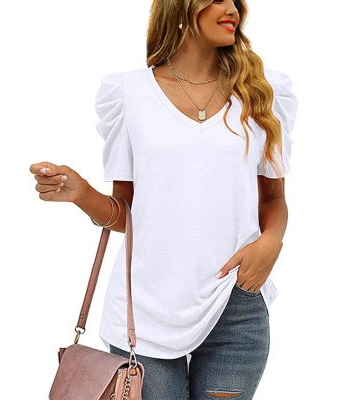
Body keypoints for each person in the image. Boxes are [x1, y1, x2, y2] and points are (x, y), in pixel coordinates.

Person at [29, 0, 298, 398]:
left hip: (235, 302)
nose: (231, 8)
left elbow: (273, 197)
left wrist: (271, 242)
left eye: (235, 1)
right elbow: (127, 214)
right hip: (144, 311)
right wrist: (82, 194)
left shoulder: (262, 91)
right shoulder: (128, 93)